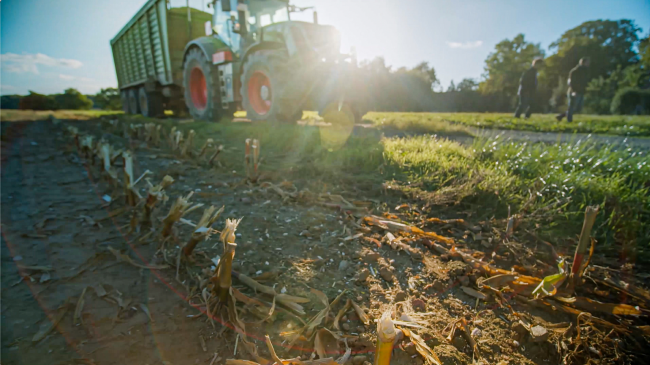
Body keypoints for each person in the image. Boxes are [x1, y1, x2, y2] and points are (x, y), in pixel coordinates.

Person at [556, 57, 591, 122]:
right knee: (571, 107)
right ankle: (569, 121)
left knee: (578, 108)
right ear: (583, 63)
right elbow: (570, 82)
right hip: (574, 91)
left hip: (581, 92)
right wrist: (573, 91)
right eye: (587, 62)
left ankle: (561, 116)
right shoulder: (575, 71)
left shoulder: (585, 72)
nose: (588, 64)